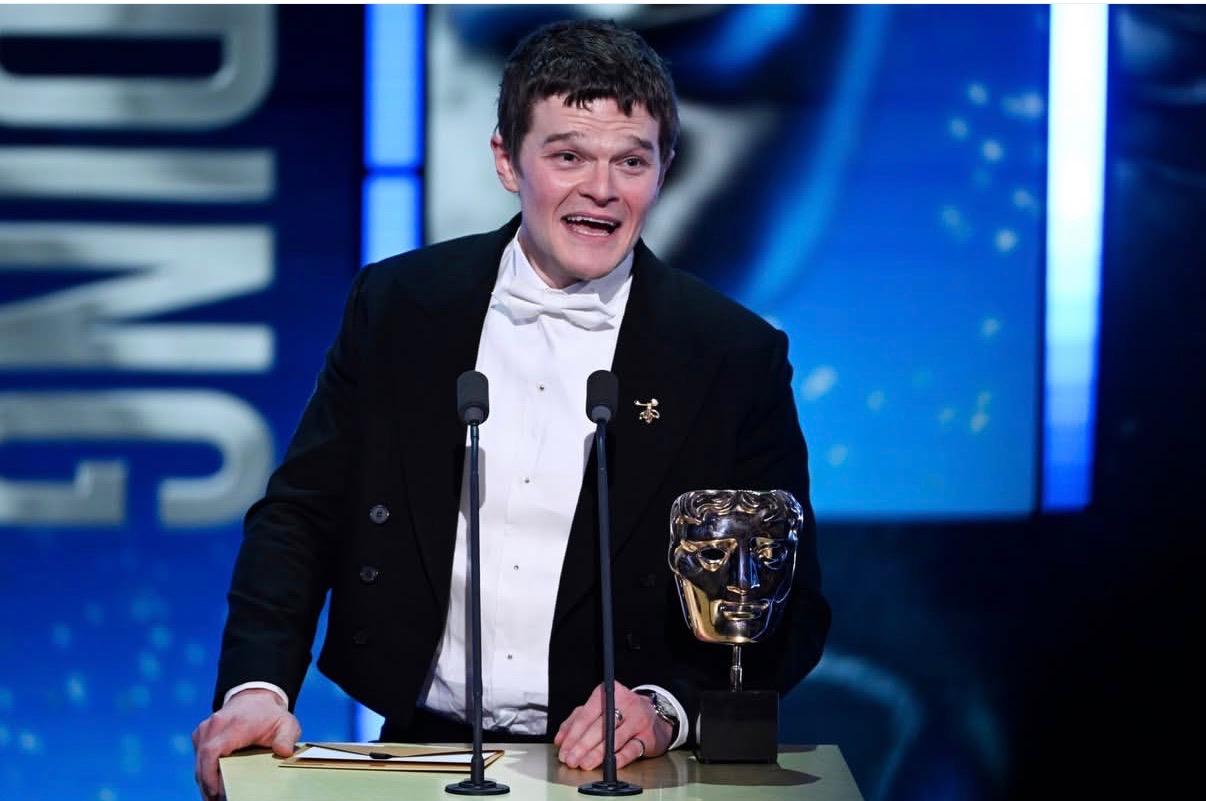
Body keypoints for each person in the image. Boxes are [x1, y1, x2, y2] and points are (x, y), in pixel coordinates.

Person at [193, 19, 830, 800]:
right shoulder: (401, 306)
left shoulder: (731, 354)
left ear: (664, 169)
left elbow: (790, 599)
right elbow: (301, 513)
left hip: (623, 770)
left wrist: (667, 707)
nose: (602, 189)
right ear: (506, 159)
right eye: (568, 156)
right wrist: (257, 686)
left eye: (631, 161)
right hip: (425, 755)